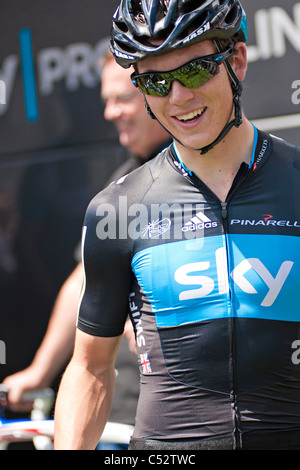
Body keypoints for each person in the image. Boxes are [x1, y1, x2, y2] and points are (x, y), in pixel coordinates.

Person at [54, 0, 300, 451]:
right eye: (155, 81)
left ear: (237, 62)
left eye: (194, 71)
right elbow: (90, 369)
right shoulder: (118, 207)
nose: (178, 98)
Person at [2, 49, 170, 430]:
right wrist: (40, 370)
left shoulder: (209, 173)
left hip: (199, 411)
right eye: (106, 101)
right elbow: (85, 279)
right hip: (126, 406)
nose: (110, 113)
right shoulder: (122, 183)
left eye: (123, 99)